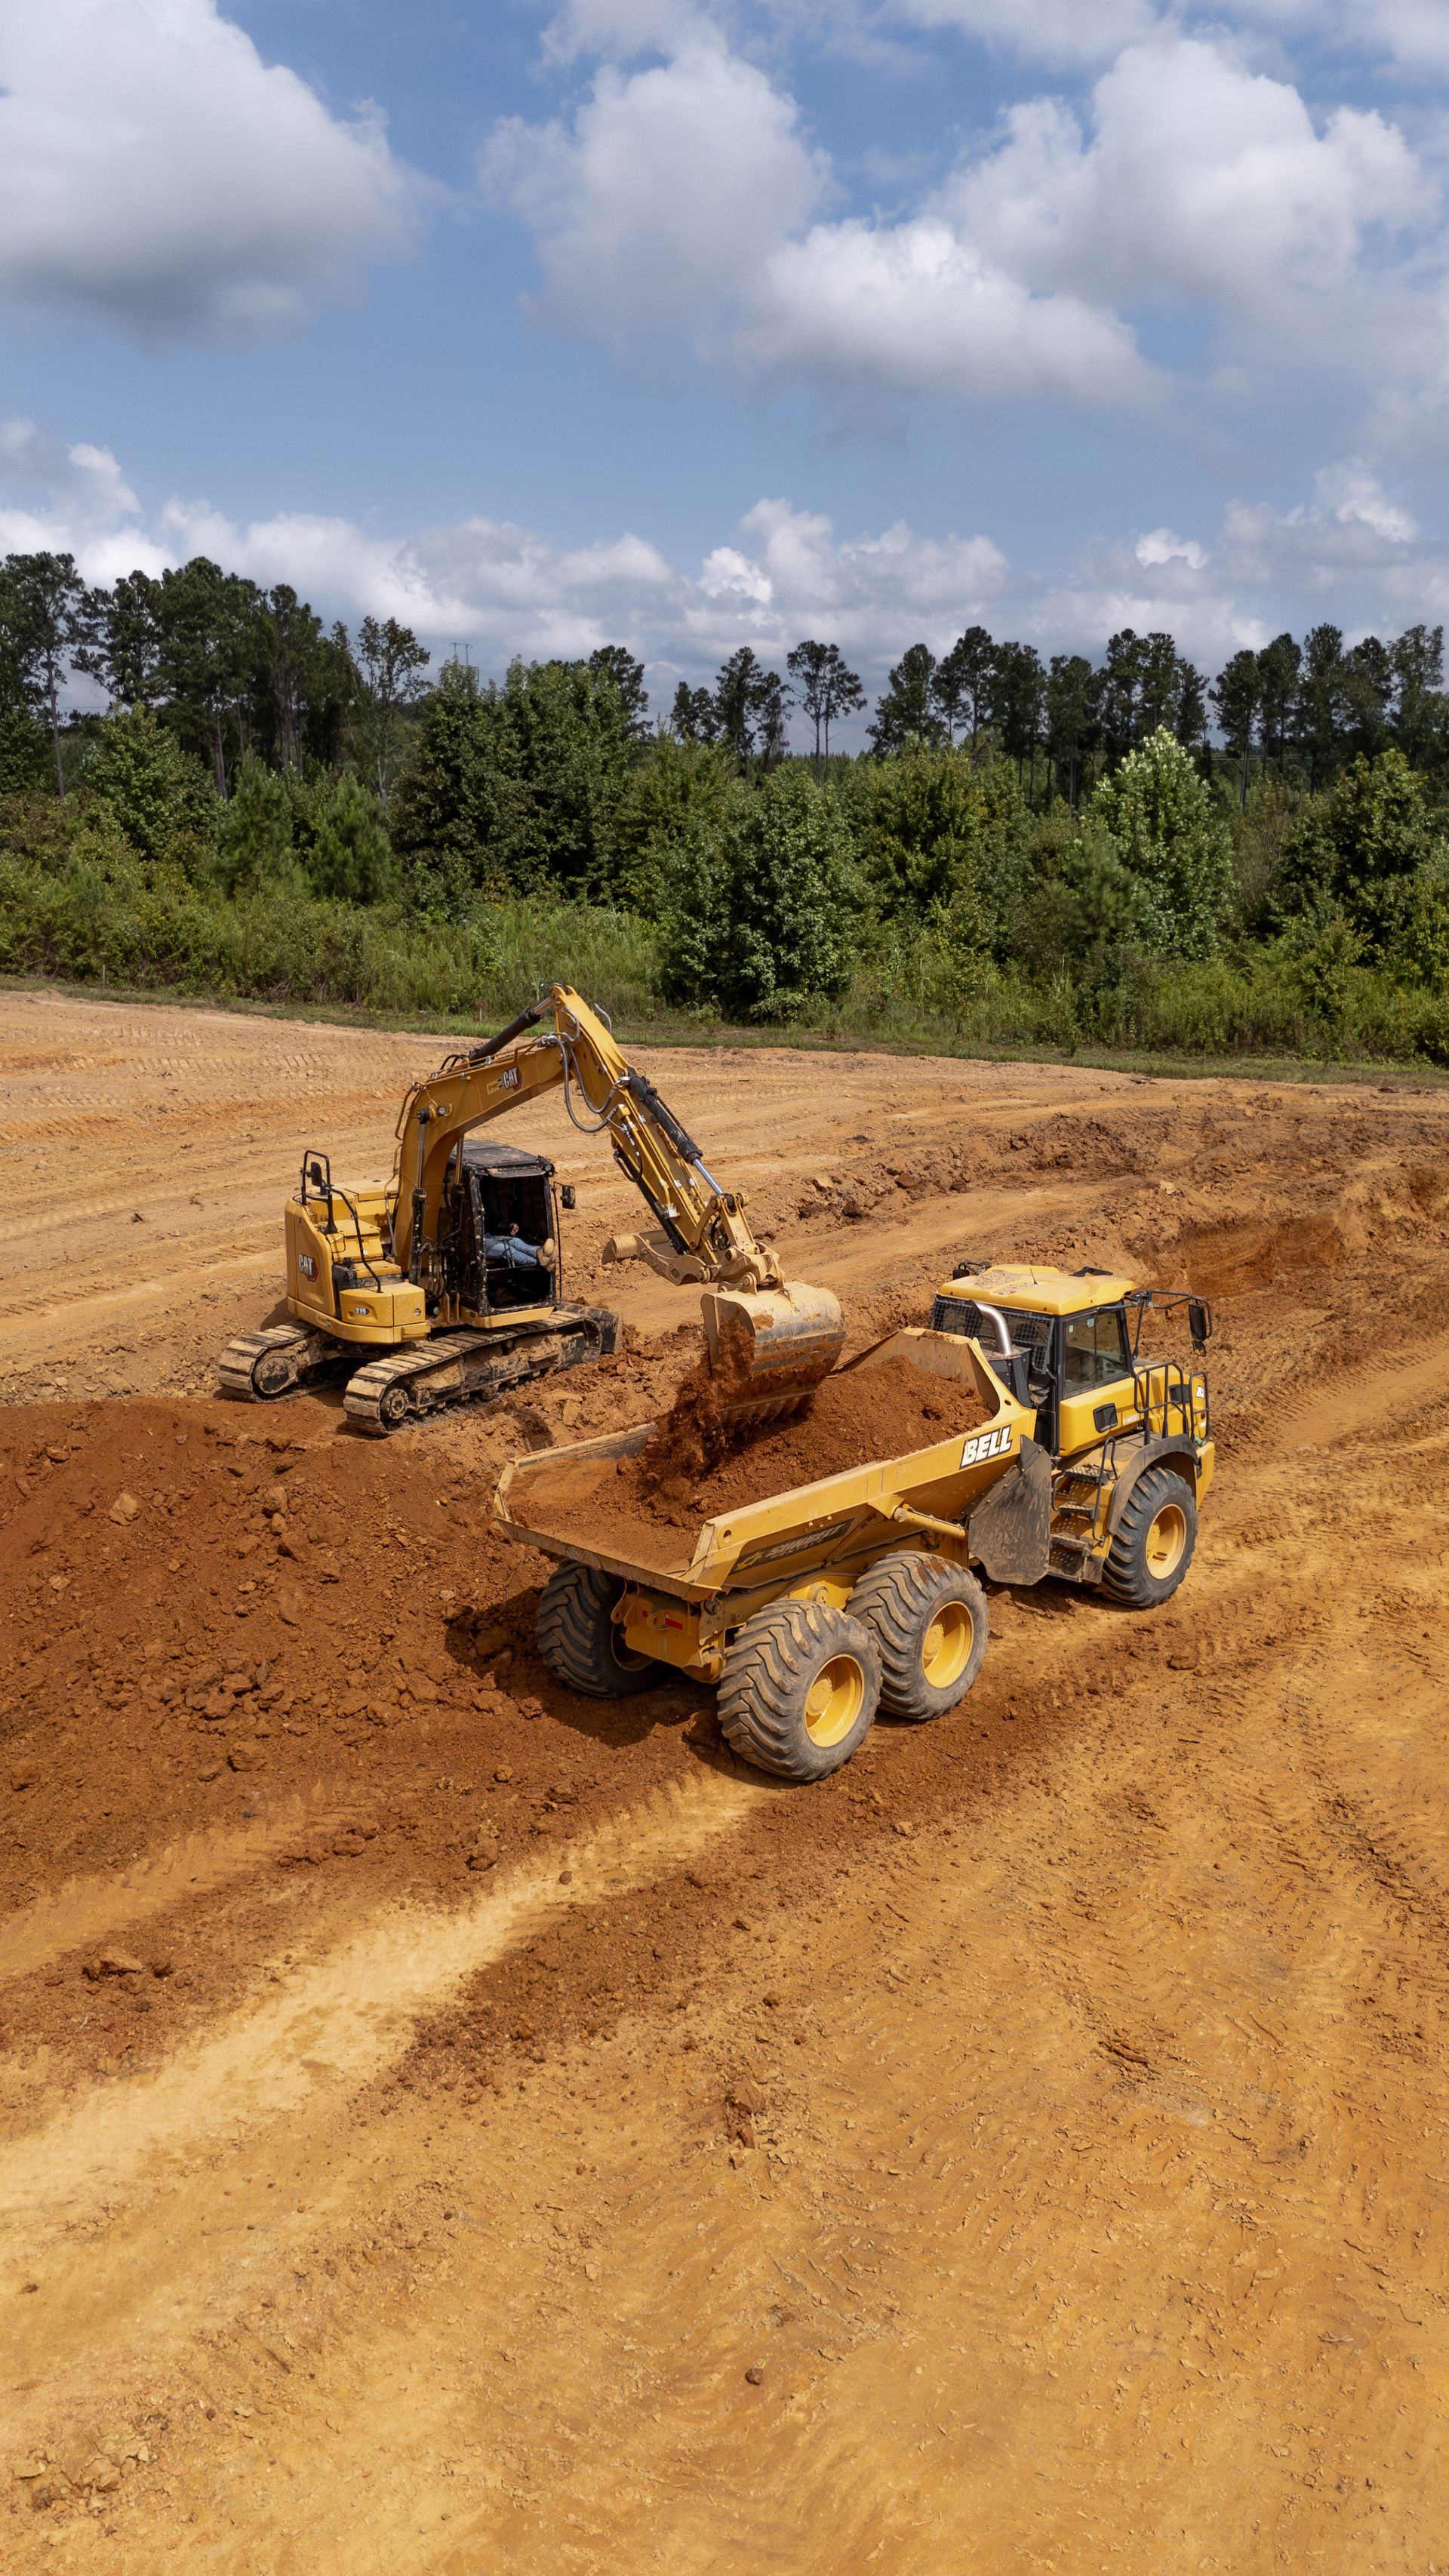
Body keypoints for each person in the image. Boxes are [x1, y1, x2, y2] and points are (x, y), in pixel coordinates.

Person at [482, 1222, 555, 1273]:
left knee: (515, 1241)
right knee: (508, 1250)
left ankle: (539, 1252)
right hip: (482, 1244)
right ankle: (540, 1262)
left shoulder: (486, 1221)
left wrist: (511, 1227)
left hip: (490, 1236)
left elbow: (498, 1228)